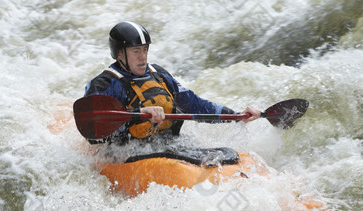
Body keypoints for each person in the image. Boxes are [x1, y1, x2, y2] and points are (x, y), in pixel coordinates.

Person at [84, 21, 261, 143]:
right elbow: (93, 133)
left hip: (166, 145)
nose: (143, 57)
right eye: (136, 51)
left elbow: (194, 104)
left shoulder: (158, 74)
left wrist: (236, 116)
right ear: (120, 54)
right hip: (125, 151)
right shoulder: (104, 84)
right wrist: (139, 113)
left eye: (145, 50)